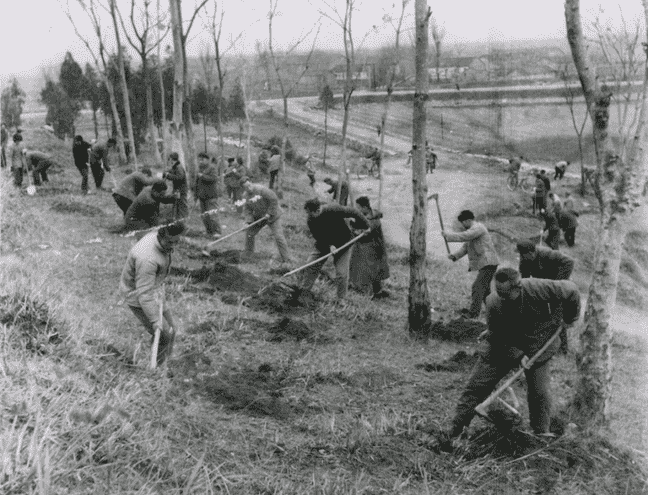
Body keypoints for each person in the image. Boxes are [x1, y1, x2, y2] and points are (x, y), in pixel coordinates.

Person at [437, 267, 581, 447]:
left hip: (539, 344)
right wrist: (518, 354)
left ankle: (540, 436)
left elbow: (572, 290)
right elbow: (497, 336)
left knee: (539, 392)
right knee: (477, 386)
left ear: (518, 286)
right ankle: (454, 428)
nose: (502, 298)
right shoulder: (493, 302)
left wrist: (570, 318)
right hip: (504, 345)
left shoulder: (538, 288)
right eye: (499, 293)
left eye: (506, 294)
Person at [119, 221, 186, 365]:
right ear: (161, 236)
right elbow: (144, 294)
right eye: (170, 242)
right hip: (136, 293)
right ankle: (157, 368)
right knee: (163, 334)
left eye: (176, 242)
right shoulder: (148, 259)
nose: (173, 246)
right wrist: (156, 320)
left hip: (152, 287)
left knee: (173, 328)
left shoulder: (159, 237)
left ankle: (165, 361)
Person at [299, 198, 369, 300]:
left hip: (343, 244)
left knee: (342, 273)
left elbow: (354, 212)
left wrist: (366, 226)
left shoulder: (333, 209)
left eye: (310, 213)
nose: (308, 216)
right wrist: (329, 246)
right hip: (323, 244)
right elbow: (318, 236)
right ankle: (304, 293)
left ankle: (340, 299)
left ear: (317, 210)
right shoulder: (311, 220)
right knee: (311, 264)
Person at [517, 240, 575, 354]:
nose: (524, 258)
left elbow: (569, 262)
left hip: (556, 289)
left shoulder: (547, 254)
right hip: (541, 289)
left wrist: (558, 283)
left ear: (532, 252)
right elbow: (525, 281)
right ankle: (541, 345)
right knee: (539, 316)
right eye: (522, 255)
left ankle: (562, 350)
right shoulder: (524, 261)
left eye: (526, 255)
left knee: (557, 316)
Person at [442, 210, 499, 319]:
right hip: (486, 263)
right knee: (485, 291)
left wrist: (448, 236)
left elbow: (465, 236)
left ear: (468, 220)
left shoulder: (478, 228)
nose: (462, 225)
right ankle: (494, 312)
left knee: (477, 287)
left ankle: (473, 313)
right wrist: (454, 256)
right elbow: (465, 247)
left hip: (489, 262)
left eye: (463, 222)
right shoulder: (472, 231)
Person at [239, 176, 292, 263]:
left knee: (279, 237)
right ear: (243, 189)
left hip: (273, 215)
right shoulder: (245, 196)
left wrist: (269, 213)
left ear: (251, 182)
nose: (249, 188)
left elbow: (274, 199)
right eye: (246, 187)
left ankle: (287, 260)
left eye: (249, 185)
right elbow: (247, 210)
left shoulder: (261, 189)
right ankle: (248, 254)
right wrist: (248, 222)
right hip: (260, 217)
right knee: (249, 233)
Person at [348, 196, 390, 299]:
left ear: (365, 207)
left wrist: (353, 230)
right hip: (365, 246)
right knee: (370, 269)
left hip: (374, 247)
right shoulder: (364, 215)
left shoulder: (374, 219)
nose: (357, 209)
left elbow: (365, 233)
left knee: (368, 270)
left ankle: (370, 293)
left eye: (358, 207)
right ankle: (375, 291)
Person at [195, 152, 222, 238]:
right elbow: (197, 183)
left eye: (202, 160)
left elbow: (214, 179)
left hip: (211, 196)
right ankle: (209, 231)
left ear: (207, 160)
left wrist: (202, 176)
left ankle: (217, 232)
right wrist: (196, 195)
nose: (200, 161)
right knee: (204, 216)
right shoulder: (200, 169)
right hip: (202, 196)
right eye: (199, 160)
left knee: (213, 215)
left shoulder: (212, 168)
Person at [163, 152, 188, 220]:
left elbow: (179, 178)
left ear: (172, 159)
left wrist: (168, 175)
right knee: (177, 205)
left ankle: (184, 221)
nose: (169, 161)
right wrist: (166, 173)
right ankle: (178, 222)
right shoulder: (175, 166)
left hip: (181, 191)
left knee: (181, 206)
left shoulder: (179, 167)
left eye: (170, 159)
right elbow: (171, 172)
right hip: (177, 190)